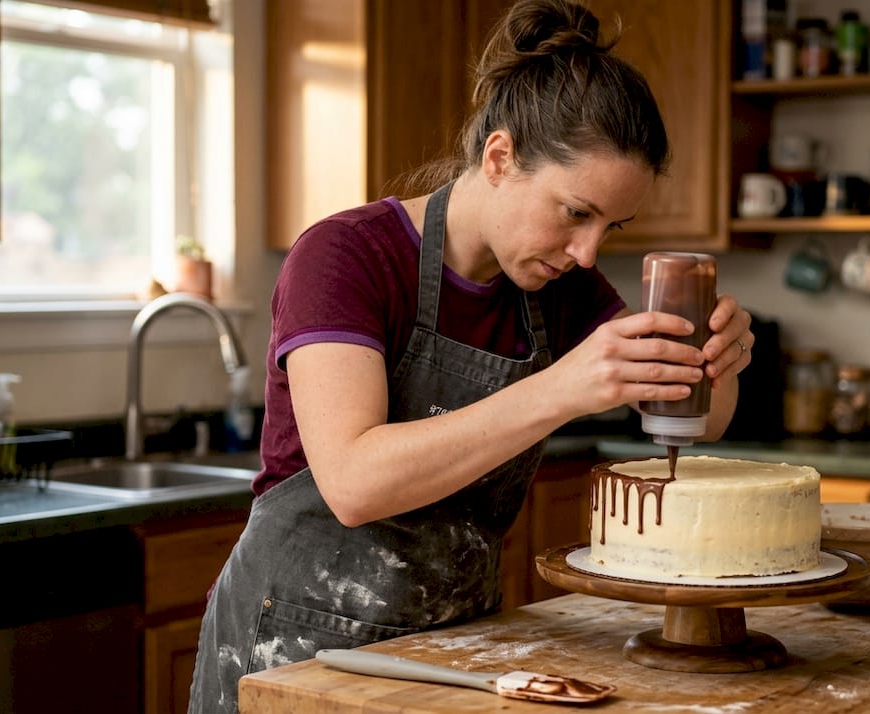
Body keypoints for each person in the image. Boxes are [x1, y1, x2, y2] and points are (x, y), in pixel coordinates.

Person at [188, 0, 753, 710]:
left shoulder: (560, 286)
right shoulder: (345, 257)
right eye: (576, 213)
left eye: (612, 226)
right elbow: (354, 482)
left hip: (452, 653)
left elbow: (692, 417)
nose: (587, 251)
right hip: (297, 655)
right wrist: (560, 389)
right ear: (499, 158)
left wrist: (716, 360)